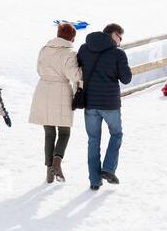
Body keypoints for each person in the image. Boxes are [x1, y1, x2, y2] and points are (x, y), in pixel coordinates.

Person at [77, 23, 132, 191]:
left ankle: (94, 180)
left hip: (90, 103)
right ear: (113, 34)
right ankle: (108, 169)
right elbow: (126, 79)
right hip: (110, 104)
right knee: (116, 134)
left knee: (93, 140)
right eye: (120, 38)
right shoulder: (118, 53)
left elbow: (78, 70)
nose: (120, 42)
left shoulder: (84, 49)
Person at [29, 22, 81, 184]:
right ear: (72, 37)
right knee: (64, 132)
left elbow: (38, 69)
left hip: (43, 90)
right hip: (61, 92)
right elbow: (74, 76)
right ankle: (57, 164)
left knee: (49, 133)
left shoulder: (44, 49)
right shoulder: (70, 53)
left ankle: (49, 173)